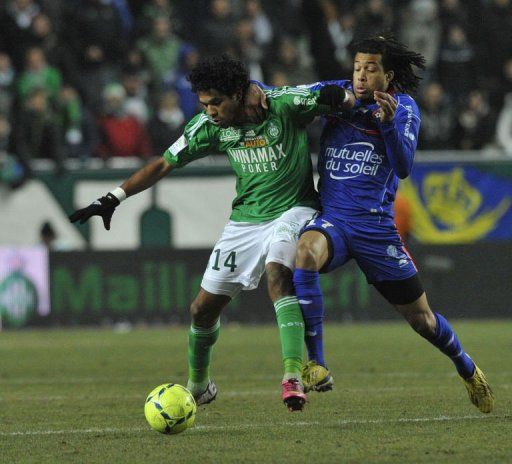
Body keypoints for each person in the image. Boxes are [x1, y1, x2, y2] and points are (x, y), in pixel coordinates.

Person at [69, 55, 350, 411]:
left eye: (216, 102)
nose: (211, 110)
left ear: (239, 93)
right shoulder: (209, 126)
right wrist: (114, 196)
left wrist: (353, 100)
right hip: (246, 220)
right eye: (205, 104)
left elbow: (331, 92)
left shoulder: (283, 105)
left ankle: (293, 376)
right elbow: (163, 163)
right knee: (202, 309)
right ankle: (199, 386)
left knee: (279, 270)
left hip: (294, 208)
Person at [290, 34, 494, 413]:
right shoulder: (336, 93)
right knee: (304, 253)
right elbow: (287, 97)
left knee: (422, 320)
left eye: (370, 69)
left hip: (376, 230)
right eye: (357, 68)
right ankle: (316, 362)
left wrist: (386, 124)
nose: (361, 76)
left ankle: (466, 367)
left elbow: (403, 167)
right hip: (333, 220)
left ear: (389, 75)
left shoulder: (404, 108)